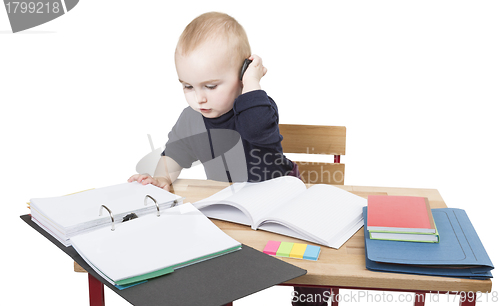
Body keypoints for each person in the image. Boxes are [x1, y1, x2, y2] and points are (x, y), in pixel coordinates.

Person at [128, 11, 329, 306]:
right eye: (188, 86)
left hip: (284, 199)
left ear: (243, 73)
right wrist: (161, 179)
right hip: (236, 207)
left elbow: (256, 130)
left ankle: (310, 298)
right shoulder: (192, 119)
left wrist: (252, 83)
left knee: (308, 265)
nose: (199, 99)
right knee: (210, 262)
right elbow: (173, 155)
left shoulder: (257, 105)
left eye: (210, 86)